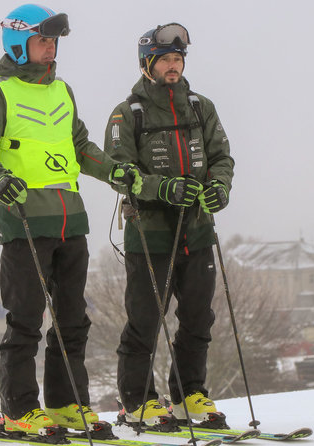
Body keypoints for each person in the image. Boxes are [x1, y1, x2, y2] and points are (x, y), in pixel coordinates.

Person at [0, 4, 140, 435]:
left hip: (70, 217)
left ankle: (65, 404)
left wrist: (114, 171)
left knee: (72, 319)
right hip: (24, 218)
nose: (51, 48)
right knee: (25, 318)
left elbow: (80, 146)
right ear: (19, 44)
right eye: (43, 40)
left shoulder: (63, 90)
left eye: (54, 41)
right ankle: (18, 410)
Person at [103, 23, 234, 426]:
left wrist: (220, 189)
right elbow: (118, 171)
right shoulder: (127, 114)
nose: (173, 67)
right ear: (148, 65)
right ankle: (137, 401)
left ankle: (190, 395)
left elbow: (221, 157)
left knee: (197, 319)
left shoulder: (200, 107)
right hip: (150, 234)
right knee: (145, 320)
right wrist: (164, 188)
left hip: (197, 230)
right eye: (165, 61)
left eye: (178, 59)